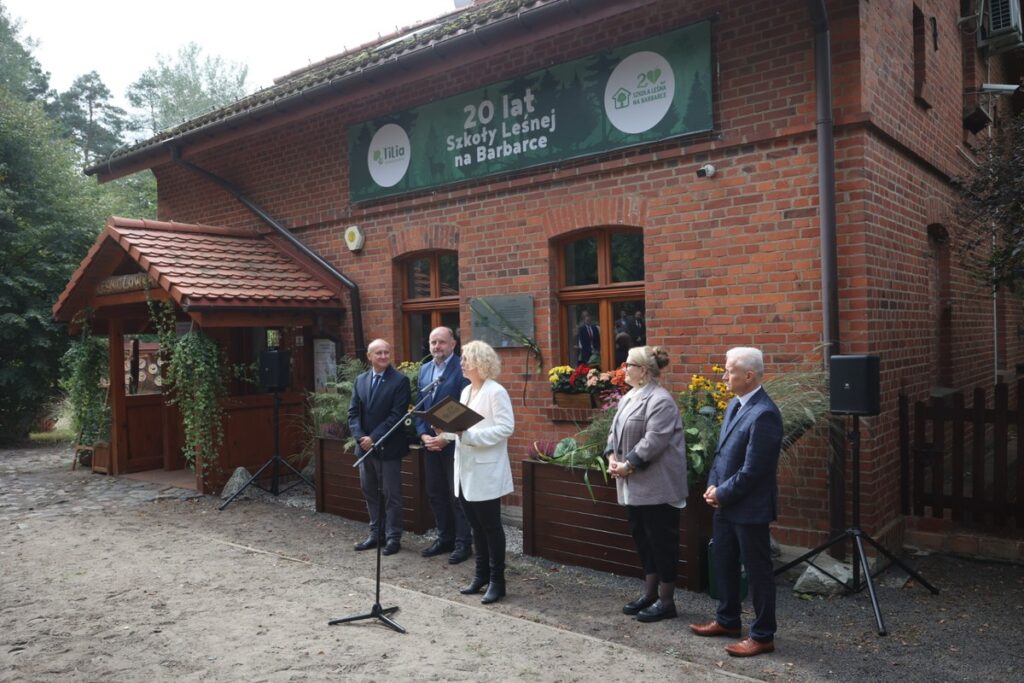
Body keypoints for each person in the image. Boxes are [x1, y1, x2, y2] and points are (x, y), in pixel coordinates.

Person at [690, 347, 783, 657]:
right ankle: (728, 620)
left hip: (749, 508)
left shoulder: (765, 413)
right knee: (724, 562)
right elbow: (722, 454)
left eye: (729, 370)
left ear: (749, 376)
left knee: (757, 572)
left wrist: (723, 492)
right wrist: (712, 485)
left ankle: (763, 635)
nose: (724, 375)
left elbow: (755, 470)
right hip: (725, 503)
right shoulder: (734, 404)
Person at [606, 346, 688, 623]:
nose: (623, 369)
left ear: (642, 370)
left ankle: (666, 602)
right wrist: (611, 457)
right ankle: (650, 594)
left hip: (657, 488)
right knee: (643, 540)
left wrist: (627, 464)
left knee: (662, 542)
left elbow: (654, 440)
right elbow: (613, 431)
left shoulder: (660, 400)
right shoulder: (629, 397)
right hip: (633, 487)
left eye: (628, 364)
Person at [440, 340, 514, 605]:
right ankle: (480, 574)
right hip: (465, 468)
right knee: (475, 526)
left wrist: (469, 435)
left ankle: (498, 581)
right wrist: (443, 433)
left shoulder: (496, 391)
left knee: (491, 526)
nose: (461, 363)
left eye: (465, 359)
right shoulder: (466, 391)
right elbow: (459, 427)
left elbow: (506, 428)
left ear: (479, 362)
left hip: (486, 470)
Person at [347, 339, 412, 556]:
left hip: (388, 448)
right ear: (369, 356)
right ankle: (376, 534)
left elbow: (397, 415)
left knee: (391, 494)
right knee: (370, 492)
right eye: (379, 353)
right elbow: (353, 413)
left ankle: (393, 537)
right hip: (364, 449)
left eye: (387, 352)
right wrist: (360, 437)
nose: (384, 356)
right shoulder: (360, 380)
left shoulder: (399, 381)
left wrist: (374, 437)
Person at [416, 326, 473, 564]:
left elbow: (465, 409)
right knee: (436, 493)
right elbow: (419, 407)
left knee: (456, 495)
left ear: (453, 344)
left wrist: (446, 436)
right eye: (432, 342)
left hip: (454, 444)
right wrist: (423, 436)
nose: (436, 347)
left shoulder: (461, 370)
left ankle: (463, 543)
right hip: (431, 444)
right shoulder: (425, 369)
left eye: (441, 342)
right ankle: (444, 538)